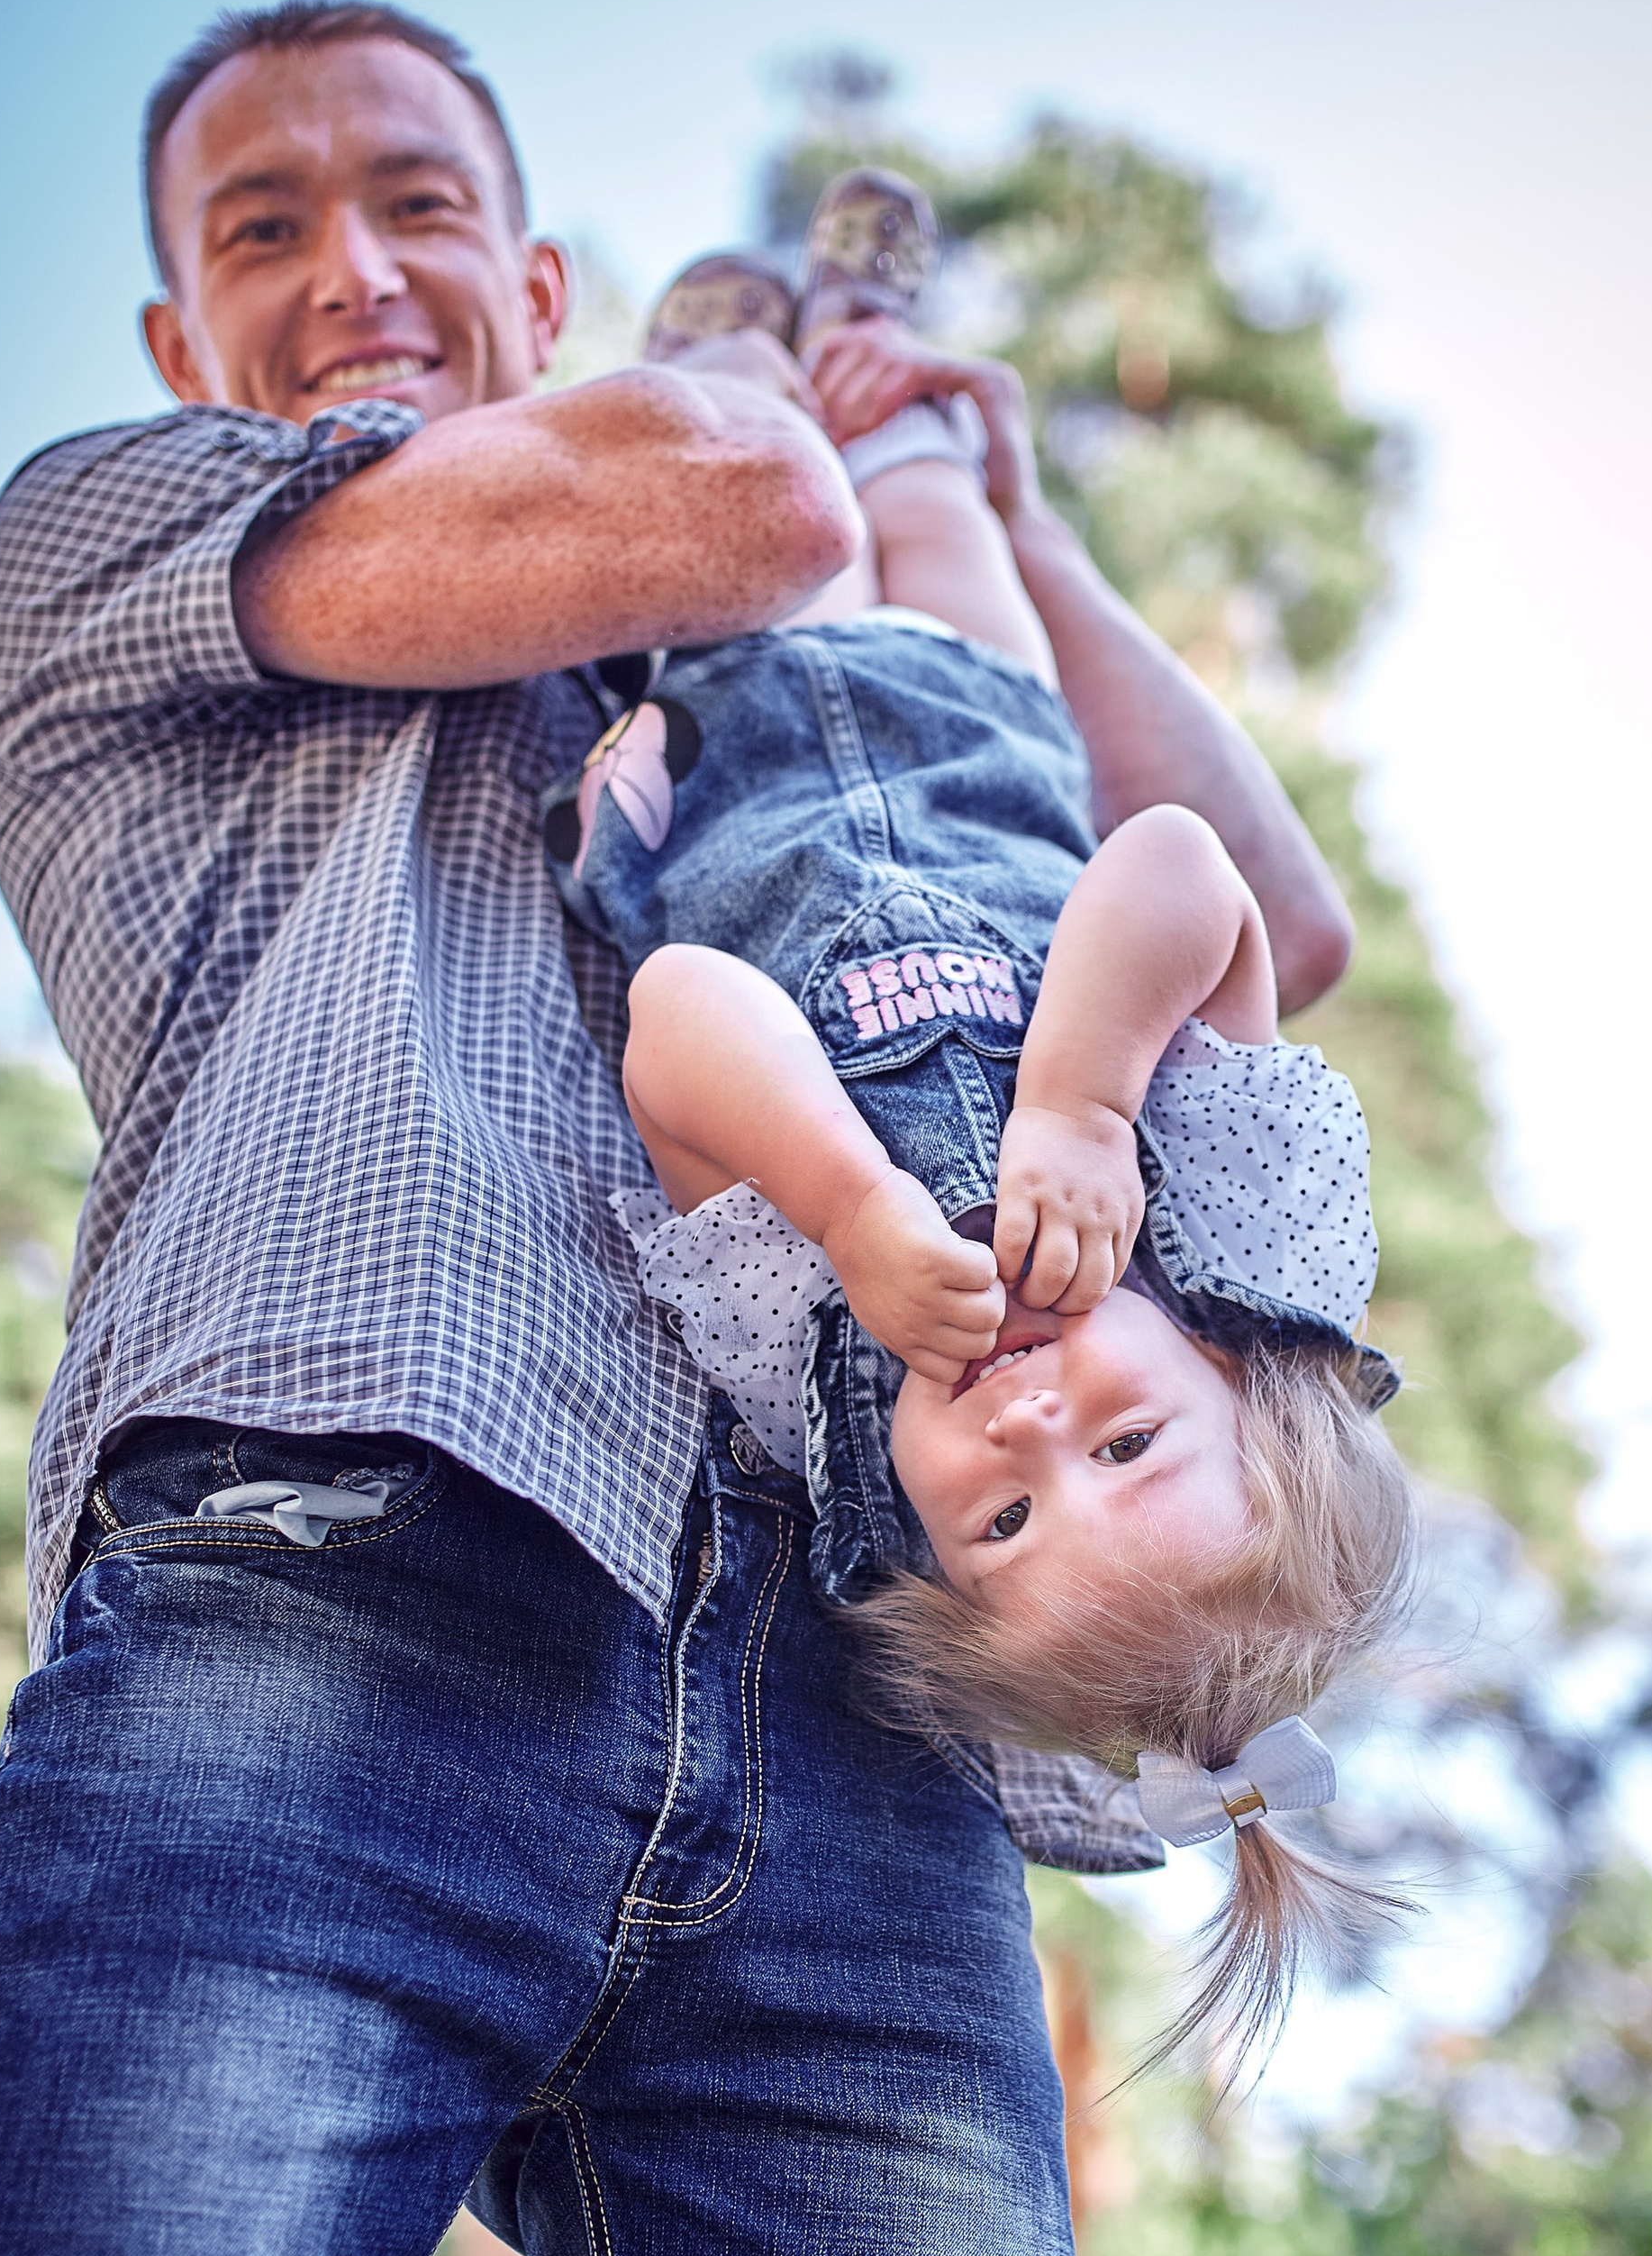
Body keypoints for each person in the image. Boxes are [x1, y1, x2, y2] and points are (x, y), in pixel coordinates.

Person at [0, 0, 1339, 2256]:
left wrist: (1010, 531)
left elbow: (1257, 930)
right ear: (180, 318)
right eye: (263, 228)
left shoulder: (734, 701)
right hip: (326, 1624)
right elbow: (751, 513)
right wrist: (789, 402)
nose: (344, 267)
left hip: (860, 1758)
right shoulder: (116, 540)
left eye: (417, 207)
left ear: (525, 275)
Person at [567, 196, 1411, 2053]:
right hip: (978, 722)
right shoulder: (1236, 1245)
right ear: (1239, 1390)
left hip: (726, 742)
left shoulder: (823, 1372)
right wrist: (1082, 1100)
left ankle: (731, 344)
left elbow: (679, 1027)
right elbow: (1177, 872)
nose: (1030, 1420)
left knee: (726, 464)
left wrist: (852, 1203)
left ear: (924, 1562)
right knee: (918, 493)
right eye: (1128, 1440)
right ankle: (876, 335)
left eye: (1010, 1516)